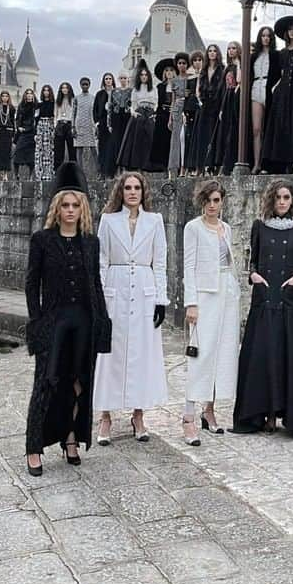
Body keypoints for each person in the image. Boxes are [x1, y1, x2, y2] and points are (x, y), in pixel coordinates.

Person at [23, 161, 111, 476]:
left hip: (84, 322)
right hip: (54, 321)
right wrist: (37, 322)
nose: (70, 210)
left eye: (75, 205)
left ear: (82, 208)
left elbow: (96, 284)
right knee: (46, 382)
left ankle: (71, 438)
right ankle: (34, 446)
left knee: (78, 383)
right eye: (65, 205)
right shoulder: (42, 240)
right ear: (57, 208)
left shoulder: (91, 242)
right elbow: (31, 285)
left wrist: (103, 321)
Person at [233, 179, 293, 441]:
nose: (282, 202)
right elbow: (252, 262)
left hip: (288, 298)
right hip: (264, 298)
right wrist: (254, 276)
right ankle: (267, 414)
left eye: (287, 197)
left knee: (291, 355)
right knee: (265, 355)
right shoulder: (259, 226)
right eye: (278, 197)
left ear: (292, 200)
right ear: (271, 199)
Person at [93, 172, 169, 444]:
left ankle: (138, 414)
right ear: (121, 192)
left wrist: (161, 298)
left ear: (143, 191)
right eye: (128, 187)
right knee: (110, 353)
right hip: (116, 288)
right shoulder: (108, 221)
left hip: (145, 291)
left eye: (137, 187)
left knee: (141, 353)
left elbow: (159, 262)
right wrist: (99, 300)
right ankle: (105, 416)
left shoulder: (155, 221)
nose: (133, 192)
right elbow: (100, 261)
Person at [181, 180, 240, 445]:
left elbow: (230, 263)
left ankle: (210, 409)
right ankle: (188, 416)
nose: (213, 205)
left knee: (222, 353)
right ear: (202, 201)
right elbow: (189, 266)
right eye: (209, 200)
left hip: (227, 292)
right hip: (205, 295)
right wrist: (191, 303)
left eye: (217, 200)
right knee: (200, 355)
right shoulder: (193, 228)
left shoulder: (226, 228)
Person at [263, 16, 293, 174]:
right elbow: (280, 73)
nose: (292, 32)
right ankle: (285, 163)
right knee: (282, 126)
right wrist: (274, 88)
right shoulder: (282, 53)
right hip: (283, 93)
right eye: (289, 29)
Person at [116, 61, 158, 171]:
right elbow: (133, 104)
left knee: (150, 139)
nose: (144, 77)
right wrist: (134, 113)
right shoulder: (135, 90)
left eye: (145, 75)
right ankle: (137, 165)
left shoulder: (154, 89)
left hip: (150, 114)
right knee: (137, 141)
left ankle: (148, 165)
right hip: (139, 114)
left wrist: (154, 114)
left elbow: (156, 103)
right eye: (142, 75)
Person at [189, 44, 224, 174]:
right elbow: (197, 90)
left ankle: (213, 166)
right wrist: (200, 101)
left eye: (215, 51)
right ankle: (200, 167)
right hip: (204, 106)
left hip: (216, 106)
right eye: (210, 51)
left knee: (214, 135)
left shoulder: (222, 69)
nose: (212, 53)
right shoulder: (203, 71)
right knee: (201, 136)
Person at [249, 27, 279, 173]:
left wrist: (275, 88)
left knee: (269, 127)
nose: (265, 38)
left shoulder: (275, 55)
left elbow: (281, 74)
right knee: (256, 129)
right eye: (263, 35)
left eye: (268, 36)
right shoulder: (254, 56)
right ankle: (256, 163)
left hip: (269, 89)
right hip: (256, 88)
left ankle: (267, 163)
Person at [214, 41, 243, 175]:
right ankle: (222, 164)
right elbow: (222, 88)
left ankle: (229, 164)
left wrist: (239, 64)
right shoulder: (227, 67)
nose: (231, 51)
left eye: (234, 48)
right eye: (229, 48)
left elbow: (239, 81)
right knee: (224, 132)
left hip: (236, 99)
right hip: (226, 99)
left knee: (234, 131)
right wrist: (220, 109)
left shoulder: (240, 65)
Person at [167, 52, 191, 177]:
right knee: (175, 140)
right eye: (179, 63)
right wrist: (170, 118)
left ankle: (185, 167)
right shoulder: (174, 80)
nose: (181, 65)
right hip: (176, 109)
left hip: (187, 108)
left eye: (184, 63)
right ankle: (173, 169)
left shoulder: (190, 77)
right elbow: (173, 99)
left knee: (185, 138)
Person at [103, 73, 131, 178]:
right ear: (119, 79)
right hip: (116, 118)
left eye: (125, 78)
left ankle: (125, 169)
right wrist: (109, 123)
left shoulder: (131, 91)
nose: (123, 80)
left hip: (127, 118)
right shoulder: (114, 91)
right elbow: (109, 108)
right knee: (116, 144)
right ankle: (116, 170)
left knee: (126, 143)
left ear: (128, 79)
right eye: (122, 78)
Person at [150, 59, 175, 174]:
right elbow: (157, 102)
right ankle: (163, 167)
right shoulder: (160, 87)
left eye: (171, 70)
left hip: (174, 115)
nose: (169, 72)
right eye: (167, 70)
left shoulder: (178, 85)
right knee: (162, 141)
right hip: (162, 116)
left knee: (173, 141)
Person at [73, 77, 99, 179]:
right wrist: (73, 126)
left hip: (90, 125)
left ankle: (99, 171)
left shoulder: (93, 98)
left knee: (94, 149)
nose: (85, 86)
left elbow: (95, 113)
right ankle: (80, 173)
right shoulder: (76, 98)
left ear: (89, 85)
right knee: (79, 150)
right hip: (79, 126)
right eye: (83, 84)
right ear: (80, 85)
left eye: (86, 84)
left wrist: (96, 126)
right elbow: (73, 113)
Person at [183, 51, 204, 175]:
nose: (197, 62)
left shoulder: (205, 75)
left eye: (199, 60)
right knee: (190, 137)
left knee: (199, 136)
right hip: (190, 109)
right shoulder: (189, 77)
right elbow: (185, 95)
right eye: (195, 60)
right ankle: (190, 167)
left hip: (201, 108)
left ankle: (200, 167)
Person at [93, 73, 115, 178]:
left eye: (110, 78)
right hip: (102, 124)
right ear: (104, 81)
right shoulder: (100, 94)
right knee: (102, 148)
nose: (108, 80)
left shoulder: (116, 92)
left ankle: (111, 172)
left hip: (113, 124)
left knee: (112, 148)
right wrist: (97, 122)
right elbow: (95, 109)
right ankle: (102, 172)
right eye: (106, 79)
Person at [34, 84, 57, 181]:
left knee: (49, 150)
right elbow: (36, 118)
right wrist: (35, 132)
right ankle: (40, 173)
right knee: (40, 150)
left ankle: (49, 173)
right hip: (40, 126)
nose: (46, 92)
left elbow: (55, 116)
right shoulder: (39, 105)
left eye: (48, 90)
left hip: (50, 125)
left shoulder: (53, 104)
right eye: (44, 90)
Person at [13, 88, 38, 179]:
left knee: (31, 155)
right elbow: (17, 118)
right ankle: (16, 174)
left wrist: (36, 133)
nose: (29, 95)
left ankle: (31, 175)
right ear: (25, 95)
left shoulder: (36, 106)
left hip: (32, 132)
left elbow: (37, 119)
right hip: (23, 132)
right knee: (18, 152)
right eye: (27, 93)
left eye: (31, 93)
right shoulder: (21, 106)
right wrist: (18, 127)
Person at [54, 81, 76, 170]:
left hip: (70, 124)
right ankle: (58, 171)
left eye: (66, 88)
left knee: (72, 150)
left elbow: (75, 114)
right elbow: (55, 114)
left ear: (69, 89)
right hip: (60, 125)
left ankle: (73, 170)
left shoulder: (74, 100)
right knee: (59, 150)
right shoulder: (58, 100)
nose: (64, 89)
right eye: (63, 88)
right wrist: (55, 125)